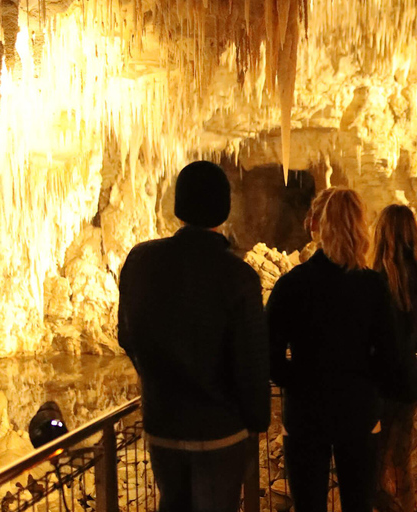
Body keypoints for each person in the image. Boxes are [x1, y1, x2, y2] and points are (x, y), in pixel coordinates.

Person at [118, 160, 270, 512]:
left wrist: (157, 381)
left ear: (179, 206)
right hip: (220, 431)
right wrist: (257, 420)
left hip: (163, 425)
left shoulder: (141, 261)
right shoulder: (238, 276)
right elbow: (250, 360)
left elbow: (128, 335)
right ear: (224, 209)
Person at [267, 188, 401, 512]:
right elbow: (391, 356)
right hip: (359, 411)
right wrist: (368, 385)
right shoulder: (374, 287)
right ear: (360, 226)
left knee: (309, 505)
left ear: (314, 225)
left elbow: (267, 353)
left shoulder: (292, 285)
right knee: (358, 503)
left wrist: (296, 380)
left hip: (305, 414)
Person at [371, 205, 417, 512]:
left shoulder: (374, 280)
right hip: (409, 386)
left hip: (377, 388)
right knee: (401, 465)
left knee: (372, 471)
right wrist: (408, 342)